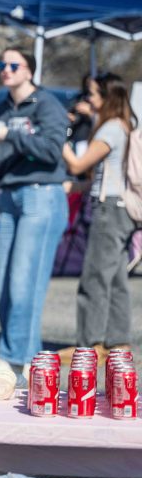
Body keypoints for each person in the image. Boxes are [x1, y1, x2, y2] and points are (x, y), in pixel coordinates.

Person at [0, 46, 69, 376]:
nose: (6, 69)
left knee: (25, 282)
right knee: (5, 285)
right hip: (10, 196)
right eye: (2, 64)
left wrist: (9, 132)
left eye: (14, 64)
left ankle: (22, 359)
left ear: (29, 71)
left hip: (41, 195)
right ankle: (16, 357)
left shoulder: (47, 105)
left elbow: (52, 149)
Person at [60, 73, 135, 362]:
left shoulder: (110, 129)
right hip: (121, 208)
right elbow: (99, 176)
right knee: (116, 279)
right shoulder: (123, 126)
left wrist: (58, 136)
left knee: (93, 278)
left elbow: (80, 163)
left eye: (92, 95)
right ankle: (118, 342)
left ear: (106, 97)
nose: (88, 100)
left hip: (109, 211)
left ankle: (88, 344)